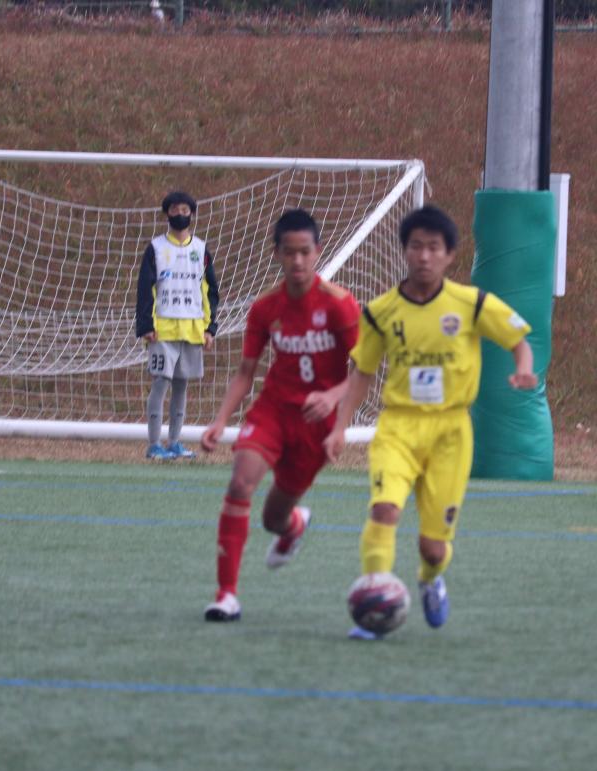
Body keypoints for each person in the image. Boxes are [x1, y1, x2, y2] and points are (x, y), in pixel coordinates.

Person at [324, 205, 538, 640]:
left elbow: (518, 339)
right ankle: (374, 606)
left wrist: (523, 368)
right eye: (416, 246)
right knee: (384, 510)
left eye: (434, 248)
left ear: (450, 255)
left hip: (451, 433)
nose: (424, 256)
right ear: (404, 251)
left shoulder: (471, 303)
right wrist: (340, 425)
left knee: (434, 547)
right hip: (398, 428)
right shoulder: (380, 311)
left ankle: (429, 578)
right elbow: (362, 372)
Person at [198, 209, 361, 622]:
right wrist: (220, 420)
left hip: (316, 427)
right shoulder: (264, 308)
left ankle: (293, 527)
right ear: (277, 254)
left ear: (317, 251)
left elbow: (365, 370)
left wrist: (334, 399)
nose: (298, 261)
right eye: (289, 253)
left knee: (273, 518)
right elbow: (245, 372)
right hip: (272, 411)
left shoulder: (340, 305)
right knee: (240, 483)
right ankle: (226, 595)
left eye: (305, 252)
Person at [135, 190, 220, 461]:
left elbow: (210, 291)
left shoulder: (200, 249)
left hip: (192, 330)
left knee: (182, 386)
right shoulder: (156, 248)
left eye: (185, 210)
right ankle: (153, 444)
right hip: (163, 330)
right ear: (167, 214)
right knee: (161, 383)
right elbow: (145, 289)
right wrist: (146, 324)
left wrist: (210, 328)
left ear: (192, 214)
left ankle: (174, 442)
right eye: (175, 210)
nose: (180, 215)